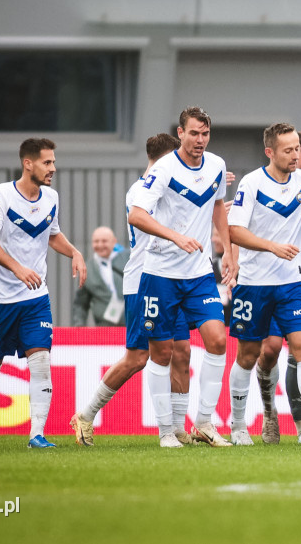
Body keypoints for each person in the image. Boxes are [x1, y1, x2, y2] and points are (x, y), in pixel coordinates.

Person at [70, 133, 202, 447]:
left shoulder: (171, 187)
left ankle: (178, 427)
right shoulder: (142, 190)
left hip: (175, 280)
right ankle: (86, 415)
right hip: (144, 281)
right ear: (169, 157)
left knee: (181, 352)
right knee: (139, 356)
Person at [0, 138, 87, 449]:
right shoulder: (1, 195)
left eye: (54, 162)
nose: (53, 168)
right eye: (47, 162)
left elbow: (52, 233)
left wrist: (74, 252)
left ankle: (37, 434)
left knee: (41, 361)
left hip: (34, 298)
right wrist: (18, 269)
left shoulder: (51, 197)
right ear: (27, 163)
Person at [126, 108, 237, 448]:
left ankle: (203, 423)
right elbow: (136, 214)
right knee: (161, 352)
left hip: (200, 272)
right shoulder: (164, 169)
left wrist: (228, 251)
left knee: (217, 339)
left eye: (205, 134)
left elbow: (218, 206)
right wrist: (175, 236)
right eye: (194, 133)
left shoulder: (216, 165)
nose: (200, 140)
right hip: (160, 273)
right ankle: (165, 431)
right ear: (181, 132)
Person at [226, 123, 301, 446]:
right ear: (270, 152)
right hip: (255, 283)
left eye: (297, 149)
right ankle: (237, 426)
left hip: (293, 283)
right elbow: (235, 231)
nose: (296, 155)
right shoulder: (253, 183)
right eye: (288, 150)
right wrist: (273, 246)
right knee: (248, 355)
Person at [72, 226, 129, 326]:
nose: (100, 245)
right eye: (96, 241)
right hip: (105, 327)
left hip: (131, 323)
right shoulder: (87, 269)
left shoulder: (128, 259)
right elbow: (81, 304)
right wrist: (79, 327)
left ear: (114, 241)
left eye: (104, 241)